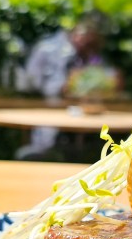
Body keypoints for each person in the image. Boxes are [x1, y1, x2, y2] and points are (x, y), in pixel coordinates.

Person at [16, 14, 117, 159]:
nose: (88, 46)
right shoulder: (48, 49)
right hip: (49, 119)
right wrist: (61, 87)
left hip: (82, 122)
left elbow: (103, 73)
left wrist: (107, 81)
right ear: (77, 33)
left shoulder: (89, 52)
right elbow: (32, 81)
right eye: (87, 40)